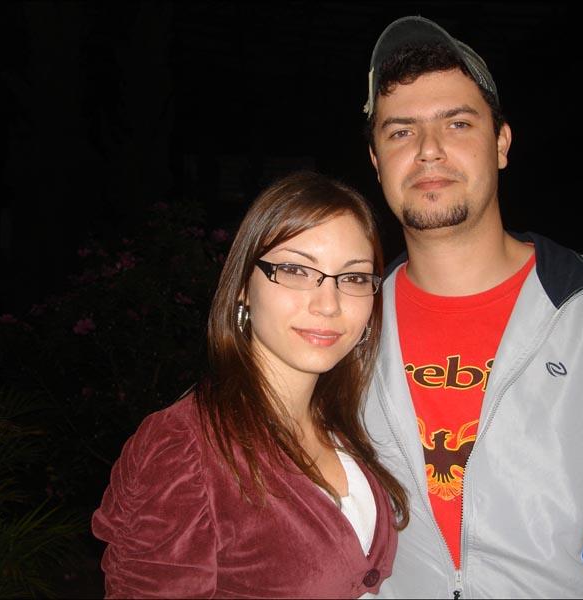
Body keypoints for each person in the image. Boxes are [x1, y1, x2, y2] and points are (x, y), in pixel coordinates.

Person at [360, 16, 583, 599]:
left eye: (458, 124)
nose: (429, 150)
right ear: (377, 160)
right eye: (401, 132)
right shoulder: (349, 325)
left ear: (501, 144)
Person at [92, 171, 409, 598]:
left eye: (352, 278)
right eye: (295, 270)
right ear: (243, 287)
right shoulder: (185, 448)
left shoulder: (344, 423)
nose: (328, 304)